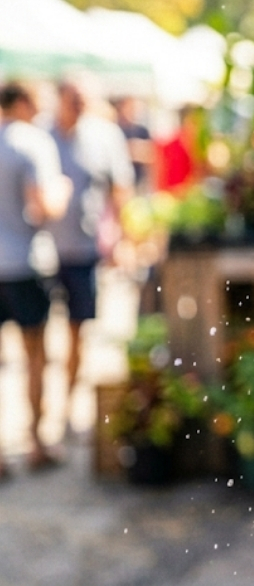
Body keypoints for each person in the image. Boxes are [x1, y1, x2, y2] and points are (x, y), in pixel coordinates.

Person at [45, 79, 135, 429]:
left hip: (83, 252)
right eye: (73, 99)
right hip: (42, 254)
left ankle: (66, 407)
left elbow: (120, 189)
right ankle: (40, 414)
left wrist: (124, 239)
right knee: (35, 339)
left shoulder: (104, 136)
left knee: (77, 334)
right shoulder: (42, 136)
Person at [0, 83, 70, 472]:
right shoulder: (32, 143)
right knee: (35, 355)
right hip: (25, 263)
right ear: (23, 103)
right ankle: (36, 442)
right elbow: (46, 205)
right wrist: (62, 190)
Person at [109, 94, 153, 190]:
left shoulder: (142, 131)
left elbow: (153, 154)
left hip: (139, 179)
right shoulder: (114, 129)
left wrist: (138, 151)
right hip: (120, 180)